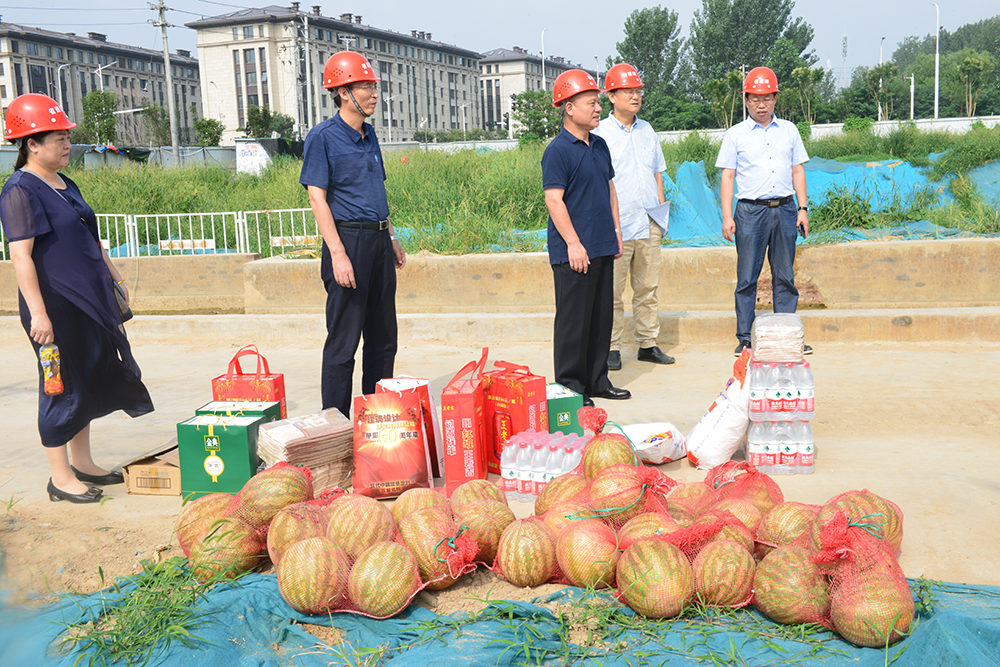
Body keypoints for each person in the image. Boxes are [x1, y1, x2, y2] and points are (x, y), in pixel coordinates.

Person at [0, 94, 154, 504]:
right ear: (32, 144)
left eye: (67, 136)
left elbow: (89, 236)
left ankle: (83, 463)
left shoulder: (65, 183)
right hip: (54, 308)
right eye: (58, 138)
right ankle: (60, 477)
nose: (67, 144)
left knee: (88, 378)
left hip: (88, 300)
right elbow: (21, 256)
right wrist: (38, 314)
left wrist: (114, 277)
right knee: (60, 385)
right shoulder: (19, 190)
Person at [300, 51, 406, 417]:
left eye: (374, 87)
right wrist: (338, 254)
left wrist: (391, 236)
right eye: (366, 87)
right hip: (348, 242)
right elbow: (317, 197)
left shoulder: (370, 134)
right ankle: (336, 422)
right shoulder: (323, 138)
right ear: (344, 92)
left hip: (378, 242)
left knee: (383, 340)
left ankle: (375, 420)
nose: (374, 94)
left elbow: (376, 190)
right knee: (344, 342)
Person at [542, 69, 630, 407]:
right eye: (591, 103)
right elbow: (554, 200)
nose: (598, 109)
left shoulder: (600, 145)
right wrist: (574, 243)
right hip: (574, 252)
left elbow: (610, 189)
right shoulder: (558, 151)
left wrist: (616, 232)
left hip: (602, 244)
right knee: (573, 323)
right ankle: (570, 388)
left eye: (597, 102)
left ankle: (597, 380)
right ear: (569, 108)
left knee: (600, 318)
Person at [715, 67, 813, 357]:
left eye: (767, 98)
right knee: (747, 277)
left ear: (775, 99)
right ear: (746, 99)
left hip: (785, 209)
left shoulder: (789, 130)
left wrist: (803, 209)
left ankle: (786, 336)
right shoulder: (735, 135)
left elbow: (797, 170)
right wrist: (727, 216)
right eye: (756, 99)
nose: (761, 104)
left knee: (785, 277)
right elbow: (728, 177)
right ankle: (746, 338)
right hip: (750, 212)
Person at [593, 63, 674, 371]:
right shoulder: (599, 133)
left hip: (649, 221)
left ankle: (648, 344)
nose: (635, 96)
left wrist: (661, 214)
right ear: (611, 96)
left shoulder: (647, 130)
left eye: (638, 91)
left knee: (647, 289)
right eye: (628, 91)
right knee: (612, 292)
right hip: (617, 225)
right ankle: (612, 347)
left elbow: (657, 173)